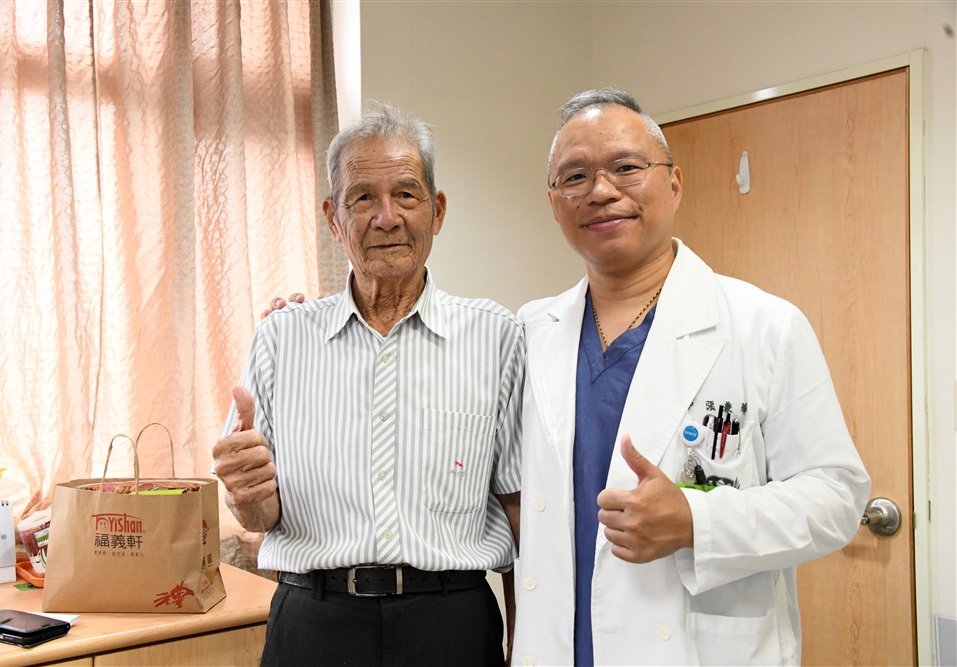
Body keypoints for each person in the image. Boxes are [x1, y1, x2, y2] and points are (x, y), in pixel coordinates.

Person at [510, 89, 871, 666]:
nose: (600, 191)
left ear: (674, 184)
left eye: (626, 167)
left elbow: (836, 497)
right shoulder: (529, 332)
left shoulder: (764, 326)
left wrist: (697, 521)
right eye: (574, 177)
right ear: (554, 204)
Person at [212, 103, 524, 666]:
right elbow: (258, 518)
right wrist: (247, 497)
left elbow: (522, 512)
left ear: (437, 210)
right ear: (333, 219)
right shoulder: (282, 338)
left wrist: (526, 646)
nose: (387, 217)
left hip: (451, 624)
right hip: (313, 624)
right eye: (362, 198)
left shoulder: (498, 338)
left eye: (406, 195)